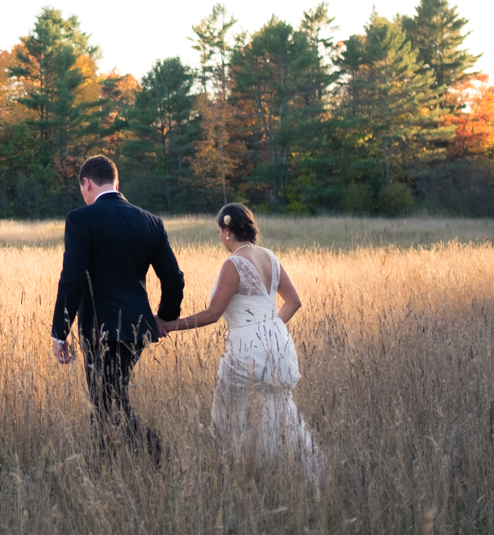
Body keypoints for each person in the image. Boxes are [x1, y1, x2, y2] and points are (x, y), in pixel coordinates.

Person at [159, 203, 322, 474]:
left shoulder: (234, 264)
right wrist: (269, 329)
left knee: (232, 412)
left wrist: (168, 325)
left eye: (219, 231)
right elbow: (293, 302)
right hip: (277, 342)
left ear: (226, 231)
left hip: (246, 348)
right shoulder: (270, 257)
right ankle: (289, 468)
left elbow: (212, 314)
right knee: (276, 409)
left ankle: (245, 470)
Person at [51, 155, 184, 461]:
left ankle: (158, 457)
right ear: (116, 182)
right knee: (108, 399)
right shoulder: (150, 221)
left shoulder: (81, 219)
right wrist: (164, 317)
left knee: (107, 401)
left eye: (81, 188)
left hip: (100, 328)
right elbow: (174, 280)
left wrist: (60, 333)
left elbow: (71, 279)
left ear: (87, 183)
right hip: (137, 328)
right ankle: (106, 468)